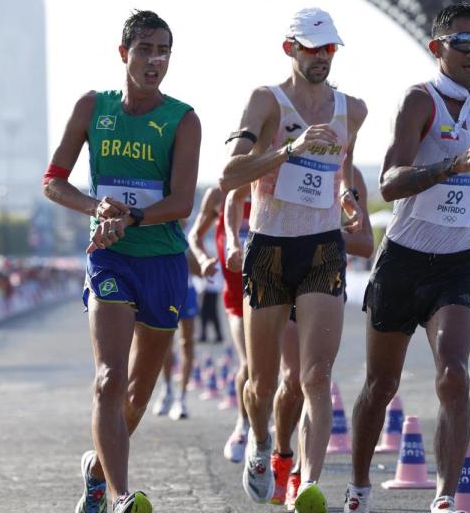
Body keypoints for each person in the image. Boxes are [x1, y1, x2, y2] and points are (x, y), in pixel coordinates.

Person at [343, 2, 470, 513]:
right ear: (437, 47)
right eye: (463, 42)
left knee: (455, 372)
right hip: (403, 259)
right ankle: (358, 485)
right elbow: (389, 183)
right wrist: (451, 165)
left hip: (458, 261)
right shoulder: (420, 102)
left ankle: (445, 496)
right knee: (381, 385)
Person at [42, 10, 201, 513]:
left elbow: (181, 203)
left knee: (135, 395)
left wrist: (129, 217)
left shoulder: (184, 118)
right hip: (110, 259)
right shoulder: (92, 107)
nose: (155, 61)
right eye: (146, 50)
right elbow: (53, 180)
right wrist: (97, 210)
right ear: (123, 53)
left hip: (163, 261)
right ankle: (119, 495)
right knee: (109, 378)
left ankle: (96, 469)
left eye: (164, 51)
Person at [218, 7, 367, 512]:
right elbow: (229, 175)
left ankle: (307, 483)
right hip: (270, 248)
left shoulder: (352, 108)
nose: (322, 57)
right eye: (312, 48)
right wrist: (290, 148)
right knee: (261, 385)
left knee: (316, 377)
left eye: (329, 48)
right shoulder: (267, 101)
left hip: (323, 246)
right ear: (290, 49)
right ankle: (262, 447)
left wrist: (348, 201)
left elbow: (344, 170)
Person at [236, 165, 374, 510]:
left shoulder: (349, 175)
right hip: (274, 268)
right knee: (282, 382)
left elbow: (367, 243)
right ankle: (274, 449)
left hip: (321, 270)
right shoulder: (273, 152)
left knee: (315, 378)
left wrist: (325, 232)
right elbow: (231, 191)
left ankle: (306, 480)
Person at [186, 186, 252, 462]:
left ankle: (273, 434)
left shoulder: (274, 182)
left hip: (276, 289)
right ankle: (243, 425)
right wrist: (202, 260)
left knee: (285, 370)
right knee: (249, 364)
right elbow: (195, 235)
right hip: (237, 295)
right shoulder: (218, 195)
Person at [151, 249, 202, 421]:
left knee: (187, 343)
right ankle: (167, 389)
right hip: (164, 291)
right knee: (166, 341)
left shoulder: (187, 236)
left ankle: (182, 397)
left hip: (187, 291)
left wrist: (187, 250)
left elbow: (198, 270)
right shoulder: (159, 227)